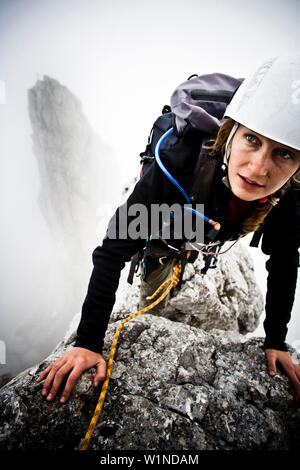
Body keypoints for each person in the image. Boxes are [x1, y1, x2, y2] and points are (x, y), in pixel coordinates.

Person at [37, 55, 300, 405]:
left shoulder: (288, 192)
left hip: (207, 224)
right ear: (230, 131)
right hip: (163, 222)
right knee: (154, 289)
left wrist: (275, 341)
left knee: (194, 242)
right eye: (251, 139)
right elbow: (112, 249)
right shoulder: (179, 159)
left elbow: (284, 260)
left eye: (284, 154)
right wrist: (87, 343)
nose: (258, 168)